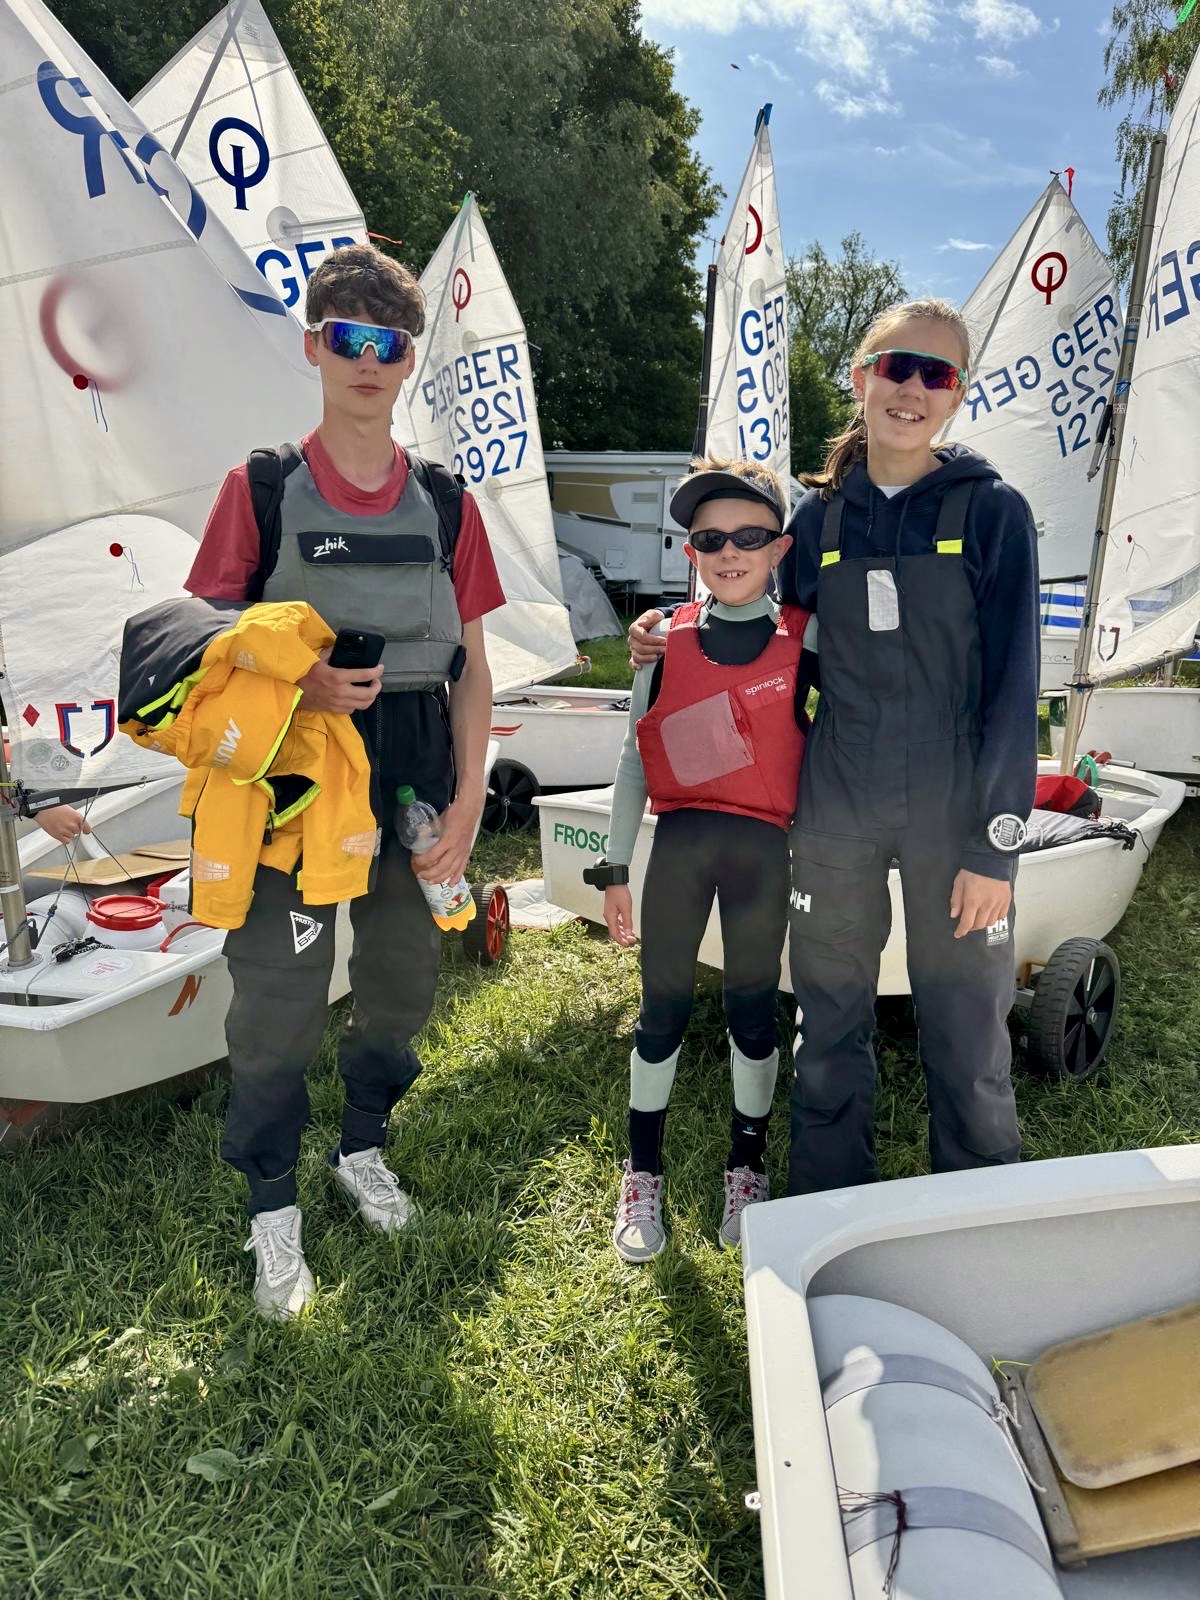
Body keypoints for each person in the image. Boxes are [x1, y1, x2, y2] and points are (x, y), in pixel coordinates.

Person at [630, 298, 1039, 1196]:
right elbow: (745, 604)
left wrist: (995, 850)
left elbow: (1017, 688)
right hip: (836, 799)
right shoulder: (816, 520)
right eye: (897, 366)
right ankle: (829, 1203)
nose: (912, 388)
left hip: (951, 802)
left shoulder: (994, 512)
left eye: (937, 374)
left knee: (968, 1021)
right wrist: (665, 628)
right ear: (861, 378)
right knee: (829, 1017)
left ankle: (979, 1205)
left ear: (957, 394)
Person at [184, 242, 504, 1318]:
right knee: (279, 997)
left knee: (403, 982)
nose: (370, 360)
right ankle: (271, 1204)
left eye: (391, 343)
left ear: (410, 360)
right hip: (297, 769)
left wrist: (470, 797)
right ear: (314, 347)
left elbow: (472, 667)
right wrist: (298, 681)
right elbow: (204, 644)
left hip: (414, 761)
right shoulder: (262, 488)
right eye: (349, 338)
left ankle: (361, 1146)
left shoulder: (447, 502)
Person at [596, 458, 816, 1261]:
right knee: (662, 1012)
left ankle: (746, 1169)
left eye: (749, 537)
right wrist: (614, 869)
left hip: (763, 853)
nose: (729, 552)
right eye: (710, 539)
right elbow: (634, 758)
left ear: (780, 548)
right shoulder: (663, 642)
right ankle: (642, 1173)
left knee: (752, 1016)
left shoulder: (808, 637)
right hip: (681, 850)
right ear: (690, 552)